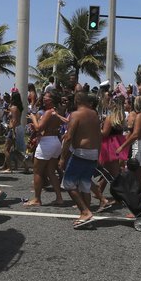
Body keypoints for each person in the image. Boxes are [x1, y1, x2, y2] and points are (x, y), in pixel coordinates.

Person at [60, 92, 103, 228]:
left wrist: (62, 157)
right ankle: (86, 216)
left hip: (81, 153)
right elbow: (99, 136)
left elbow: (68, 137)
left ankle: (85, 212)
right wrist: (98, 154)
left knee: (68, 183)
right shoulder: (94, 114)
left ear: (77, 100)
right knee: (85, 185)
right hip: (93, 152)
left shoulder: (75, 115)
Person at [24, 91, 65, 207]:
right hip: (55, 142)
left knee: (37, 171)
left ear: (51, 100)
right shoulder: (57, 111)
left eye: (46, 97)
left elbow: (38, 127)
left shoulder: (48, 112)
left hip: (47, 143)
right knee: (51, 171)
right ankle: (59, 197)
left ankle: (37, 199)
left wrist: (33, 118)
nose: (43, 99)